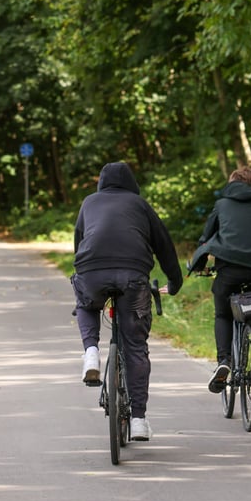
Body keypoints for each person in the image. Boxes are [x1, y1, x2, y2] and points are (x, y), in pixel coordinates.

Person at [71, 161, 183, 441]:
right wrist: (175, 281)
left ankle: (91, 352)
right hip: (132, 276)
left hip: (92, 271)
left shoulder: (89, 202)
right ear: (132, 183)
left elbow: (79, 243)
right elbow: (164, 246)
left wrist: (85, 276)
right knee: (135, 347)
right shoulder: (140, 205)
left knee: (86, 303)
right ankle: (139, 420)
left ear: (101, 183)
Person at [189, 166, 251, 393]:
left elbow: (206, 237)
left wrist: (200, 263)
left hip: (230, 270)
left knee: (223, 313)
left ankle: (224, 361)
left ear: (232, 183)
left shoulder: (222, 204)